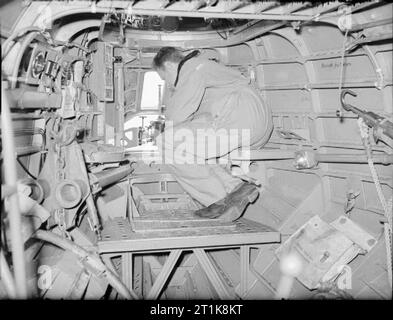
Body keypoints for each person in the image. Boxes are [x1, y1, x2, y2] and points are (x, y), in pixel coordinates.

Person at [153, 47, 273, 221]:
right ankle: (235, 188)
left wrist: (162, 128)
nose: (170, 85)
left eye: (165, 78)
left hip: (240, 116)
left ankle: (218, 201)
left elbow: (175, 115)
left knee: (167, 142)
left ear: (170, 66)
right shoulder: (205, 67)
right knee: (194, 147)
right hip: (252, 124)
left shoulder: (192, 67)